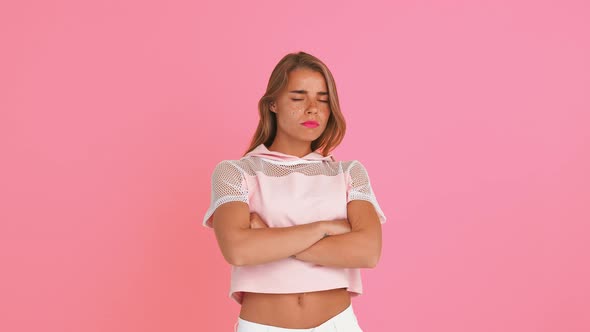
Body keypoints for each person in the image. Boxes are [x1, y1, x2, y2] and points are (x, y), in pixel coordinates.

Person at [202, 51, 387, 332]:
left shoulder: (348, 173)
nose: (312, 108)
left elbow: (367, 252)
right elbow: (238, 250)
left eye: (323, 99)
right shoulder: (236, 172)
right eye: (298, 98)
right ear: (273, 103)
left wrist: (267, 240)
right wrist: (325, 228)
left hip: (337, 324)